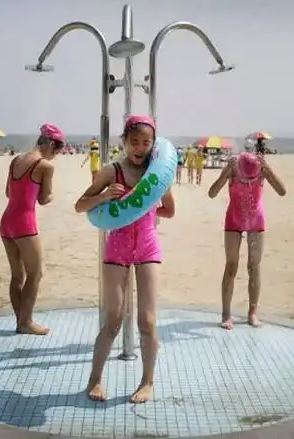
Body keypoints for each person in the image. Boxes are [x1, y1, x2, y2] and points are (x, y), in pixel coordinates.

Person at [74, 115, 175, 404]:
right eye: (134, 142)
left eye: (146, 142)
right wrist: (105, 196)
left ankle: (147, 382)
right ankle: (94, 380)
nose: (140, 148)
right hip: (117, 248)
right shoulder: (112, 171)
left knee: (148, 320)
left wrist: (145, 209)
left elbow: (169, 210)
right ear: (125, 142)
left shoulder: (157, 175)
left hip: (147, 248)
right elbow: (81, 206)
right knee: (113, 319)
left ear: (153, 143)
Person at [0, 123, 65, 335]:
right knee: (35, 273)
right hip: (24, 223)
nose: (55, 156)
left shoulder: (16, 160)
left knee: (17, 276)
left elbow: (9, 193)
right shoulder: (45, 166)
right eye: (57, 151)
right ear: (51, 144)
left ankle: (21, 320)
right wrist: (52, 195)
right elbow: (43, 199)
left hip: (6, 221)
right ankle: (26, 322)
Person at [208, 152, 286, 329]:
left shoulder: (262, 170)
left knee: (254, 266)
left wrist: (269, 170)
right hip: (233, 220)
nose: (247, 180)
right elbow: (212, 193)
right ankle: (226, 314)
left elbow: (282, 191)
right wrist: (226, 172)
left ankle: (252, 312)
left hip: (256, 220)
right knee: (231, 265)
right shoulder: (233, 169)